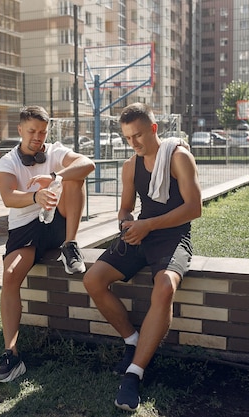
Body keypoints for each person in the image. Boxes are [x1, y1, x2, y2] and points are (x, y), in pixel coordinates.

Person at [82, 102, 202, 411]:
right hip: (141, 234)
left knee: (164, 288)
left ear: (153, 128)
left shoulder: (179, 158)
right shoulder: (129, 166)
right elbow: (124, 208)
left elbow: (194, 208)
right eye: (127, 138)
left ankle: (134, 373)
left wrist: (148, 224)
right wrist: (126, 224)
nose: (133, 143)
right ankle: (132, 339)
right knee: (93, 279)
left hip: (172, 236)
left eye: (138, 136)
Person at [0, 105, 95, 383]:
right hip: (25, 227)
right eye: (32, 131)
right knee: (10, 275)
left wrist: (56, 177)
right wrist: (36, 197)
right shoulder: (8, 161)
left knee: (75, 176)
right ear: (20, 130)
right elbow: (9, 197)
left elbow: (88, 164)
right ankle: (11, 355)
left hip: (56, 222)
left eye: (42, 131)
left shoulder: (55, 151)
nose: (38, 136)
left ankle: (71, 245)